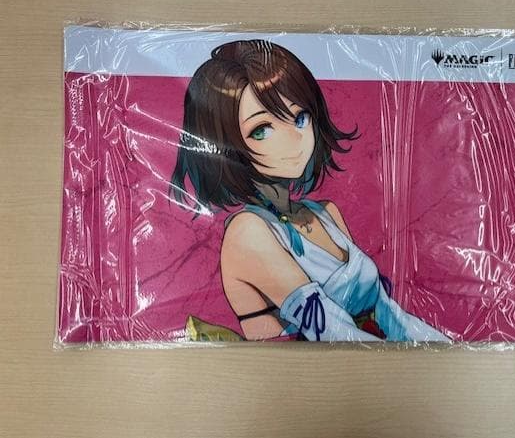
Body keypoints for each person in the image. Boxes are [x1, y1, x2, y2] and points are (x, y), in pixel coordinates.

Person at [170, 39, 450, 343]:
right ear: (225, 146)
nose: (295, 138)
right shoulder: (248, 231)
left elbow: (390, 314)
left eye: (300, 117)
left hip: (374, 361)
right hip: (309, 369)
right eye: (262, 130)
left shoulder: (326, 214)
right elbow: (330, 332)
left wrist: (442, 351)